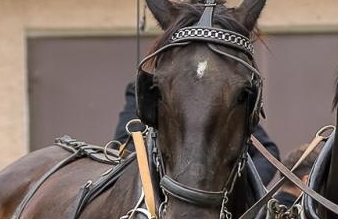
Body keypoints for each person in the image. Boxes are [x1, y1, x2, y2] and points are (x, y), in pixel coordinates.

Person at [114, 79, 282, 188]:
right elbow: (126, 146)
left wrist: (240, 186)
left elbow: (267, 153)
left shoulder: (223, 95)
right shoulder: (150, 89)